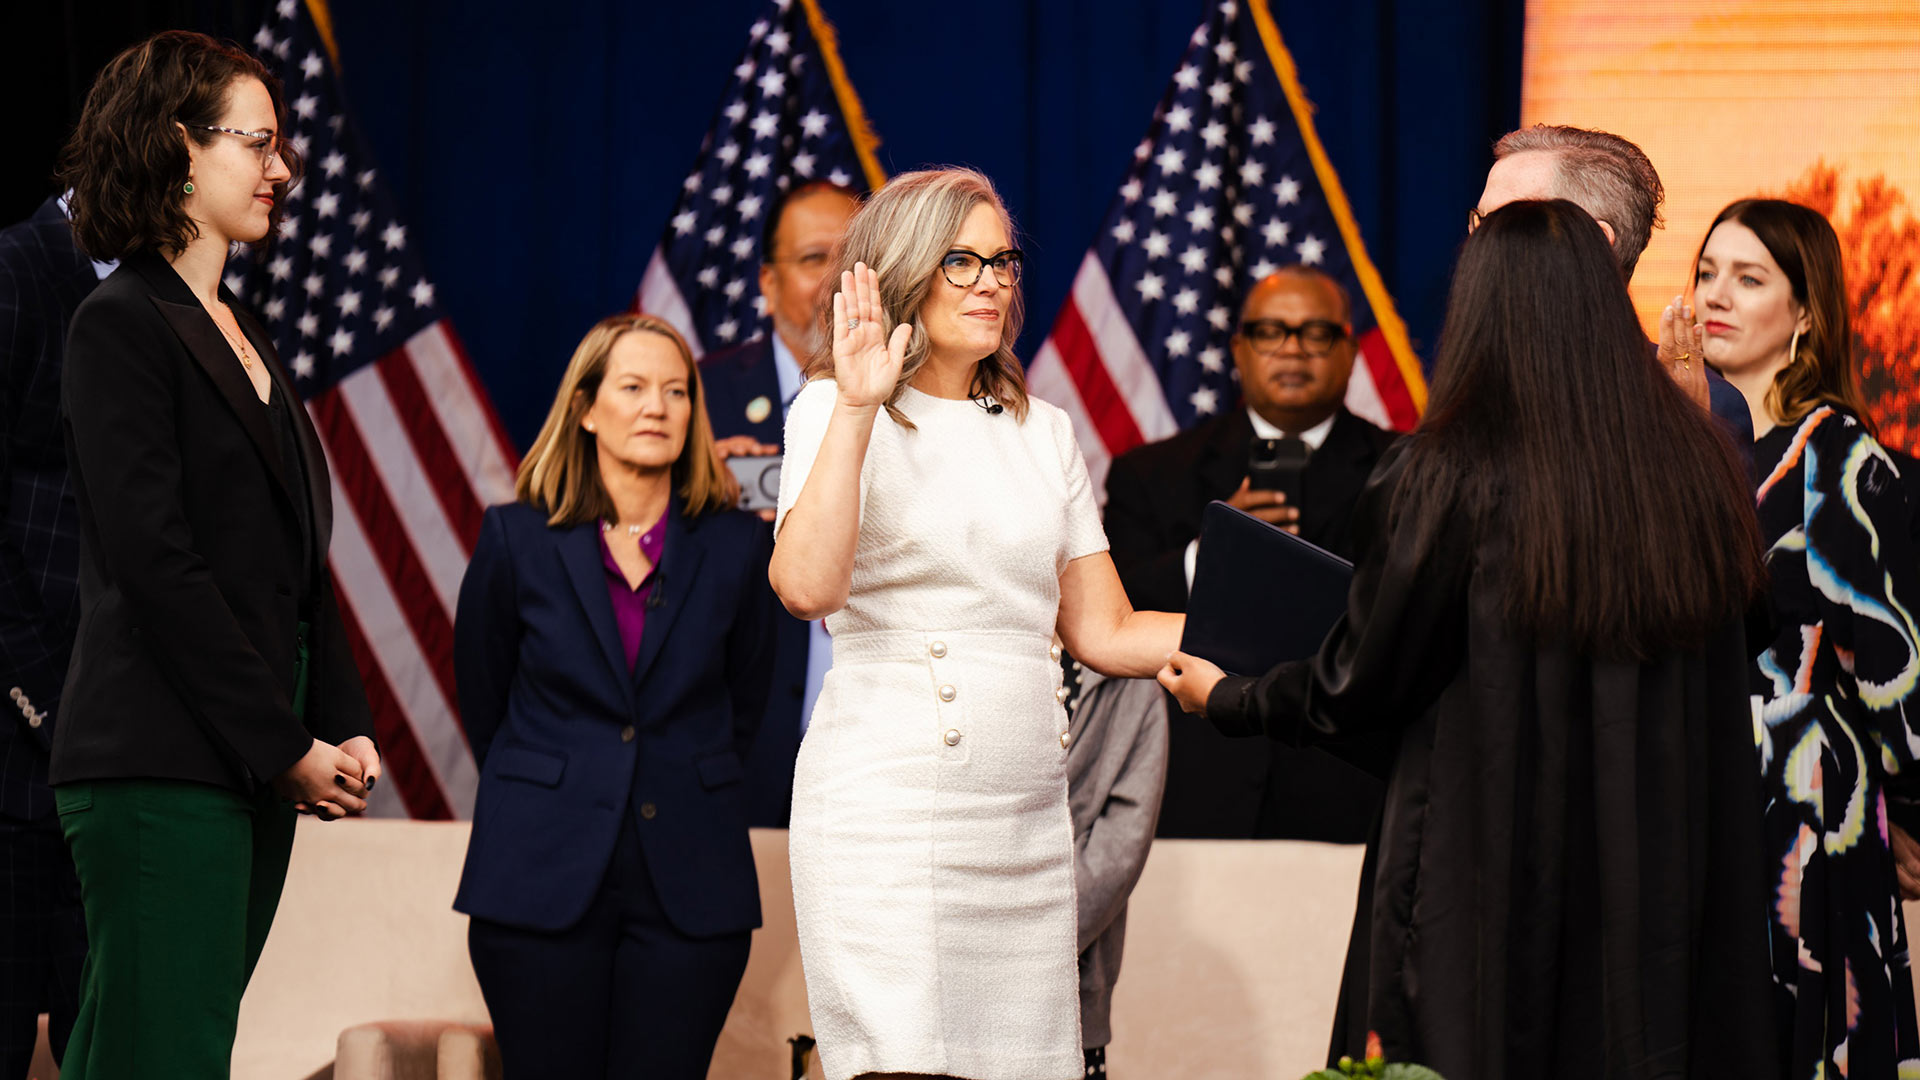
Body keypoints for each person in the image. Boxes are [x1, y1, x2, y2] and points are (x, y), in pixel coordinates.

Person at [1159, 200, 1779, 1080]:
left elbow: (1360, 681)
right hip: (1661, 878)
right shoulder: (1696, 468)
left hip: (1487, 880)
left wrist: (1228, 695)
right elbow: (1747, 647)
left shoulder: (1447, 471)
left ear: (1481, 309)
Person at [769, 167, 1183, 1080]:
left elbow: (1106, 631)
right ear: (905, 270)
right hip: (886, 814)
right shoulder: (833, 409)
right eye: (962, 261)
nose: (992, 281)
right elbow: (805, 587)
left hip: (1026, 827)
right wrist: (857, 406)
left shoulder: (1044, 432)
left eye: (1003, 261)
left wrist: (1270, 633)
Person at [50, 31, 379, 1077]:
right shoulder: (119, 325)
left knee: (150, 1053)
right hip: (160, 758)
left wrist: (339, 722)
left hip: (237, 759)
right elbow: (160, 570)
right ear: (180, 148)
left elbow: (289, 557)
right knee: (166, 1057)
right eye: (259, 143)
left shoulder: (238, 326)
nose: (282, 170)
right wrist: (284, 746)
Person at [453, 313, 777, 1079]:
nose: (656, 407)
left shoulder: (741, 547)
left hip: (691, 889)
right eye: (632, 388)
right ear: (588, 408)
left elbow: (746, 706)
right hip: (537, 878)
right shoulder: (514, 538)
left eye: (675, 390)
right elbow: (486, 702)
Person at [1681, 198, 1920, 1077]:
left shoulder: (1841, 458)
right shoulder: (1685, 456)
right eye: (1707, 273)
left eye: (1749, 279)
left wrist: (1911, 810)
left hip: (1808, 810)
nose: (1718, 295)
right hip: (1691, 794)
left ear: (1807, 312)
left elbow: (1895, 663)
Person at [1103, 266, 1394, 841]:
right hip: (1194, 794)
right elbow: (1112, 615)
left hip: (1347, 792)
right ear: (1239, 349)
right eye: (1270, 332)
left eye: (1315, 333)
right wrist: (1208, 555)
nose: (1291, 350)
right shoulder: (1152, 473)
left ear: (1350, 351)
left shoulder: (1405, 469)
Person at [700, 180, 859, 827]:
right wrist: (694, 490)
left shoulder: (913, 398)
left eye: (853, 258)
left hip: (874, 744)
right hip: (734, 741)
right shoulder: (695, 398)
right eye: (816, 258)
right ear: (767, 284)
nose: (836, 279)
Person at [1475, 124, 1754, 449]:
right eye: (1478, 223)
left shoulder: (1703, 405)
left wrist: (1678, 436)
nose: (1477, 245)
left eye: (1503, 224)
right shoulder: (1471, 380)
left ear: (1591, 242)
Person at [0, 194, 102, 1076]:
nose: (276, 171)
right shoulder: (17, 270)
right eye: (248, 144)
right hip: (15, 752)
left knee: (103, 1050)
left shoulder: (179, 303)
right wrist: (42, 702)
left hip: (117, 764)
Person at [1066, 673, 1168, 1080]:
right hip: (939, 972)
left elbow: (1120, 850)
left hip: (1071, 985)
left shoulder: (1132, 684)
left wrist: (1023, 940)